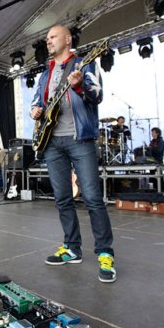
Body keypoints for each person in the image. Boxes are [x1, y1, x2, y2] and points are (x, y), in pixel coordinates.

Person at [30, 24, 116, 283]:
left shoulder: (84, 64)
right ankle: (72, 248)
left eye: (53, 37)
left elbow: (97, 95)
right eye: (46, 38)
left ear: (67, 39)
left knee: (92, 198)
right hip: (52, 142)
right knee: (62, 198)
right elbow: (37, 100)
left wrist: (79, 87)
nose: (48, 41)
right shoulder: (46, 73)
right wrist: (35, 110)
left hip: (80, 139)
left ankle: (105, 253)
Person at [148, 127, 164, 191]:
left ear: (157, 133)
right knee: (152, 178)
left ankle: (161, 191)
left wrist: (150, 148)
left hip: (158, 162)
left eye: (153, 132)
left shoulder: (161, 141)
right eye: (152, 132)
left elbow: (158, 150)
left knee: (159, 178)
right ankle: (154, 191)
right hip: (151, 162)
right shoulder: (152, 141)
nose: (152, 134)